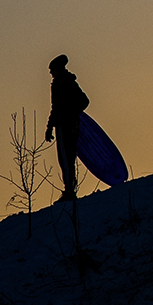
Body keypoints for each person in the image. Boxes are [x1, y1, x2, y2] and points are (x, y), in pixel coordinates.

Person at [45, 55, 90, 201]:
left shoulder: (61, 83)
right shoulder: (69, 82)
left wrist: (67, 116)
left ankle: (69, 191)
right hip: (69, 124)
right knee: (69, 158)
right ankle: (70, 188)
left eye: (52, 70)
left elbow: (57, 107)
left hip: (65, 126)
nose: (51, 73)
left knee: (66, 158)